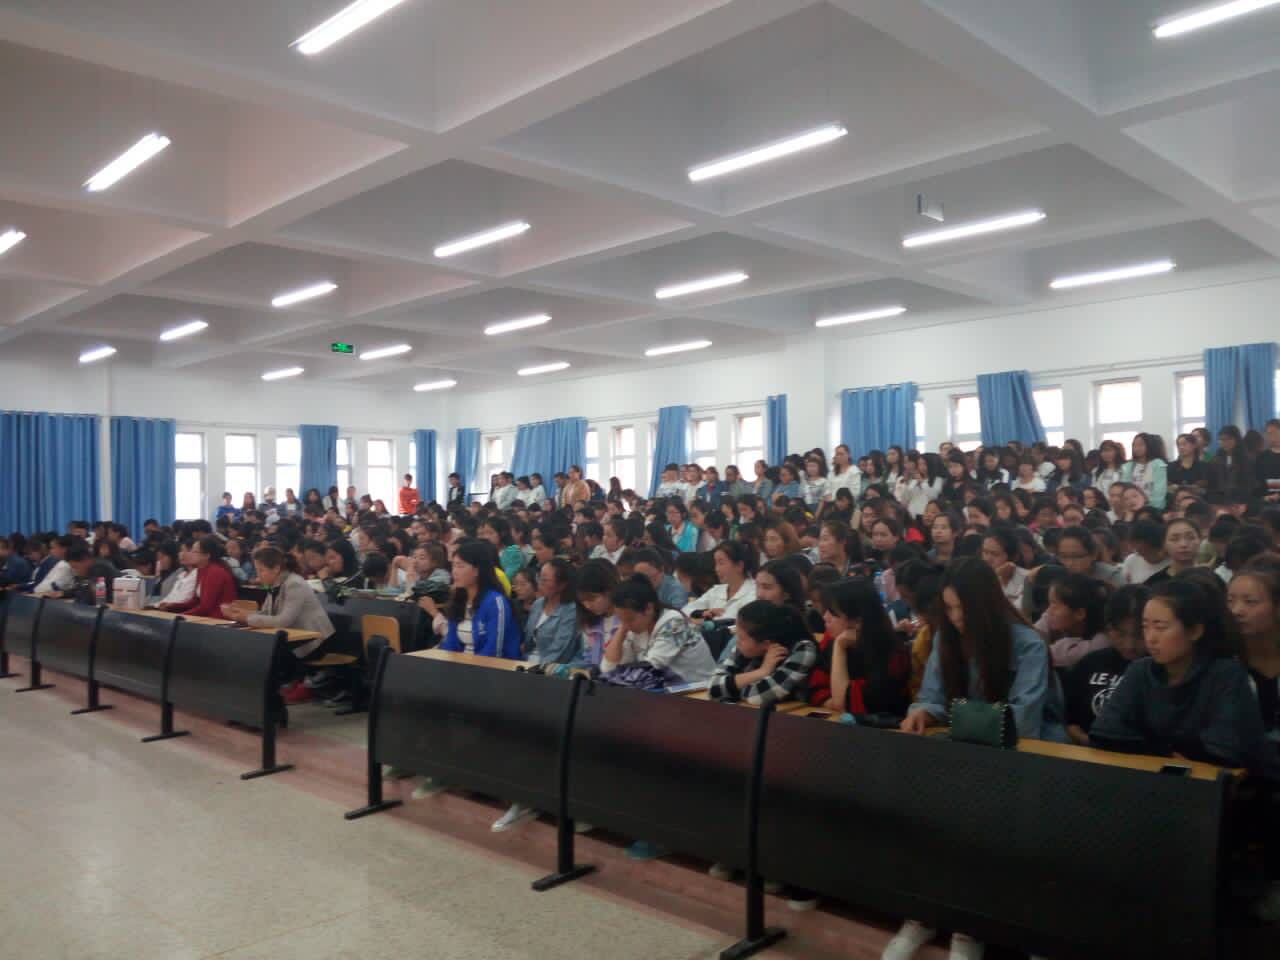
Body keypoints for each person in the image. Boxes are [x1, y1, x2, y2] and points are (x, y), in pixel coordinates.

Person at [888, 559, 1061, 960]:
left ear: (986, 605)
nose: (955, 618)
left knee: (974, 823)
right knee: (920, 814)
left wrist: (956, 716)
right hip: (966, 749)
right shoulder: (946, 638)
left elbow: (1022, 720)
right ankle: (925, 913)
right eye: (949, 608)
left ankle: (968, 927)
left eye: (962, 609)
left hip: (1020, 760)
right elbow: (933, 696)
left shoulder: (1027, 643)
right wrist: (922, 711)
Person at [1090, 578, 1275, 775]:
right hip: (1147, 776)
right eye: (1145, 627)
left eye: (1160, 627)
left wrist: (1149, 746)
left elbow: (1223, 751)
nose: (1151, 638)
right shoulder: (1140, 670)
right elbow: (1105, 732)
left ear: (1195, 631)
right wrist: (1166, 752)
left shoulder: (1227, 674)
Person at [1064, 585, 1149, 746]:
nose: (1130, 645)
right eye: (1120, 634)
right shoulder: (1089, 664)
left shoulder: (1159, 668)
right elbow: (1070, 720)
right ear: (1107, 628)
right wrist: (1087, 741)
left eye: (1139, 635)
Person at [820, 577, 911, 717]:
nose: (825, 617)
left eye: (833, 613)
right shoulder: (833, 642)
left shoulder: (891, 654)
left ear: (858, 621)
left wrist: (839, 648)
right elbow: (816, 689)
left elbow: (843, 703)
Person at [602, 575, 716, 684]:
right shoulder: (633, 628)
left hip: (699, 689)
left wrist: (616, 675)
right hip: (667, 689)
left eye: (630, 619)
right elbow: (608, 668)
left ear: (648, 608)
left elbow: (651, 667)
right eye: (622, 620)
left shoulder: (675, 623)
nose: (627, 626)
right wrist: (621, 630)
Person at [708, 601, 818, 708]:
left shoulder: (803, 650)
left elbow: (757, 697)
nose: (737, 642)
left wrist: (730, 689)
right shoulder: (741, 648)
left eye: (741, 638)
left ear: (766, 644)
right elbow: (713, 687)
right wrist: (762, 672)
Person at [1035, 571, 1110, 668]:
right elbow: (1032, 636)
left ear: (1079, 614)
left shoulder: (1099, 643)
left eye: (1055, 605)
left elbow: (1036, 654)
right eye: (1050, 603)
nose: (1048, 611)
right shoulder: (1053, 617)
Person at [160, 536, 238, 618]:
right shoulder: (201, 570)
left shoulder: (215, 572)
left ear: (207, 555)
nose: (191, 554)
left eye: (195, 552)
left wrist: (181, 616)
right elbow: (196, 601)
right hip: (206, 617)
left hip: (219, 619)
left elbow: (206, 607)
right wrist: (173, 606)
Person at [575, 559, 620, 669]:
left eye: (591, 599)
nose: (587, 605)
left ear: (609, 590)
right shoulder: (589, 621)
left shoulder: (626, 620)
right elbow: (588, 658)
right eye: (582, 601)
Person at [1121, 433, 1168, 509]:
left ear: (1149, 446)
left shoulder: (1157, 464)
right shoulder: (1128, 465)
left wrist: (1149, 506)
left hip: (1154, 507)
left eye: (1140, 445)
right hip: (1132, 506)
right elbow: (1125, 487)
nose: (1136, 448)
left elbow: (1159, 490)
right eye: (1134, 445)